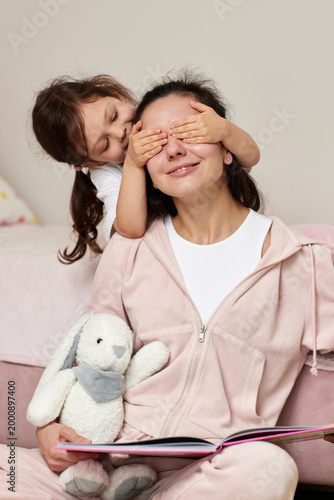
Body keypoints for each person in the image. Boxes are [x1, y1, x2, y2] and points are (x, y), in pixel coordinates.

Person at [20, 71, 334, 499]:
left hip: (206, 476)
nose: (173, 148)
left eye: (188, 131)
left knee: (268, 466)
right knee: (10, 469)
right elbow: (88, 347)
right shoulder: (130, 246)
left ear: (226, 149)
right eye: (153, 142)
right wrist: (48, 429)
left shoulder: (303, 260)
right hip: (108, 465)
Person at [32, 73, 260, 263]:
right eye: (105, 144)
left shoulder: (155, 113)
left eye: (114, 116)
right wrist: (133, 164)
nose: (120, 132)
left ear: (116, 95)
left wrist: (225, 130)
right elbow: (129, 229)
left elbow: (250, 158)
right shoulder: (106, 173)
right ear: (94, 162)